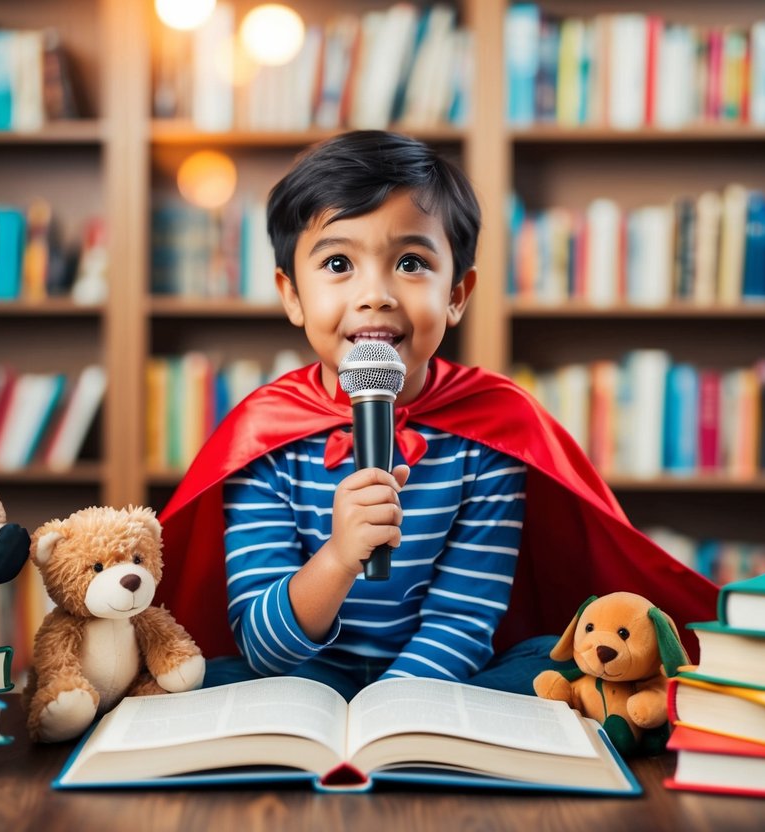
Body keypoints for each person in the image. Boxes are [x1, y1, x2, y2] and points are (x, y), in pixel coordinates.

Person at [156, 131, 715, 700]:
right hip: (302, 670)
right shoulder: (266, 434)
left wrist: (392, 703)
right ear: (293, 295)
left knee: (556, 665)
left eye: (410, 262)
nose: (376, 294)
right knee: (209, 676)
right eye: (339, 262)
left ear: (457, 294)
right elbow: (264, 645)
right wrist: (339, 557)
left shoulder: (491, 428)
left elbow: (465, 621)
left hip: (443, 671)